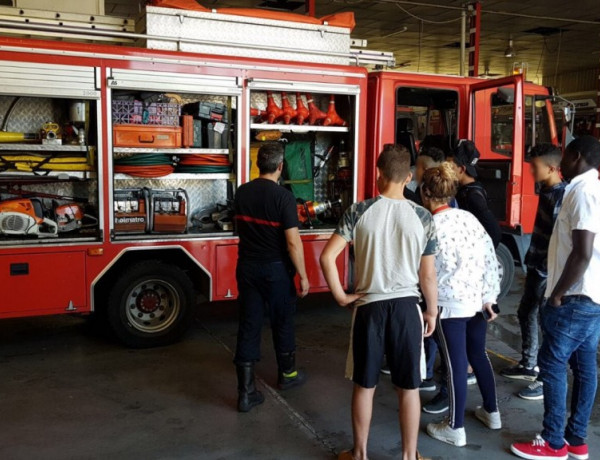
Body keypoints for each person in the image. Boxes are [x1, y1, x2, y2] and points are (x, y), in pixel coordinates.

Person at [320, 144, 438, 460]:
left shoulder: (358, 211)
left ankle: (359, 454)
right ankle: (410, 456)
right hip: (406, 309)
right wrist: (432, 311)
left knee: (364, 384)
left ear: (378, 174)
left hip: (368, 307)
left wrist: (341, 296)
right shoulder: (423, 216)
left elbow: (327, 257)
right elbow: (427, 276)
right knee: (409, 387)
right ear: (410, 177)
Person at [511, 135, 600, 460]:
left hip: (576, 297)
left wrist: (558, 294)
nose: (560, 163)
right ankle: (575, 440)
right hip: (588, 297)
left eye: (564, 156)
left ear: (575, 156)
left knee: (551, 363)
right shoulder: (586, 189)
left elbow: (583, 252)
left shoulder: (583, 193)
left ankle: (553, 442)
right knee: (585, 365)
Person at [419, 163, 501, 447]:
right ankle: (492, 411)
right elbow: (490, 258)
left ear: (425, 192)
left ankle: (454, 426)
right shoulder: (469, 219)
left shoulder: (428, 225)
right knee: (478, 354)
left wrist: (428, 307)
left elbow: (426, 274)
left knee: (454, 365)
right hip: (477, 301)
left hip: (448, 306)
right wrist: (490, 297)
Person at [233, 142, 310, 413]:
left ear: (258, 165)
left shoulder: (241, 192)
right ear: (280, 166)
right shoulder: (284, 197)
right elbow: (292, 242)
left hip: (247, 268)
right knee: (282, 322)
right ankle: (287, 376)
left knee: (249, 324)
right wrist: (302, 274)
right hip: (276, 271)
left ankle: (246, 392)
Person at [500, 144, 566, 401]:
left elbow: (561, 240)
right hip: (537, 265)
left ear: (551, 168)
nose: (530, 172)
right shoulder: (547, 190)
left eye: (534, 167)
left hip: (548, 271)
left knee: (546, 323)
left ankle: (543, 378)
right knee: (526, 312)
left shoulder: (560, 196)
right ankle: (528, 364)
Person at [447, 139, 502, 248]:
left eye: (450, 167)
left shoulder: (473, 196)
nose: (446, 170)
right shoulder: (463, 189)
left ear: (461, 169)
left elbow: (495, 232)